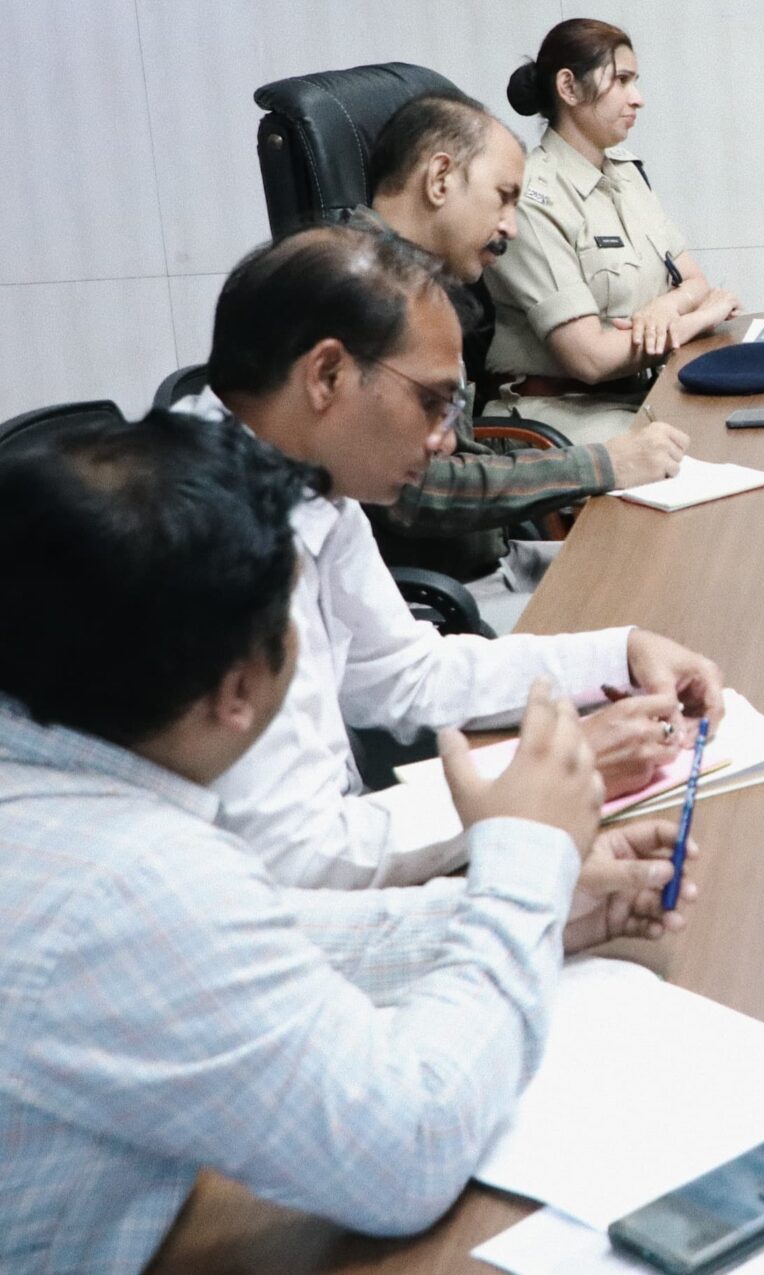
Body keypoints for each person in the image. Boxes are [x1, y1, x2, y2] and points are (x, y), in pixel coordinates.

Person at [0, 411, 689, 1273]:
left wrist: (535, 903)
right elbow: (409, 1149)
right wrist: (521, 867)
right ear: (241, 689)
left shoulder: (60, 810)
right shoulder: (134, 879)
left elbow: (252, 944)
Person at [176, 223, 726, 889]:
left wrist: (620, 655)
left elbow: (411, 675)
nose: (444, 440)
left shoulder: (311, 482)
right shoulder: (201, 538)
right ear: (327, 374)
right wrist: (555, 773)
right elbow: (299, 858)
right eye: (432, 402)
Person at [360, 91, 687, 579]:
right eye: (503, 198)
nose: (511, 228)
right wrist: (602, 465)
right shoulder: (364, 298)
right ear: (440, 178)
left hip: (491, 559)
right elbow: (420, 491)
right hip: (447, 592)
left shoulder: (412, 284)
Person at [483, 19, 740, 443]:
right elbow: (591, 358)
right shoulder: (531, 199)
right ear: (569, 88)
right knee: (696, 452)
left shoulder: (626, 173)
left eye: (634, 81)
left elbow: (694, 280)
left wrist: (664, 309)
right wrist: (696, 320)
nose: (637, 98)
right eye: (621, 80)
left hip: (638, 393)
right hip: (556, 413)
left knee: (747, 425)